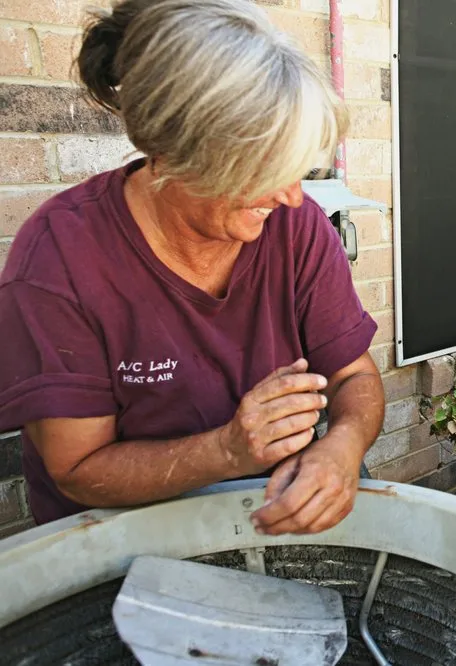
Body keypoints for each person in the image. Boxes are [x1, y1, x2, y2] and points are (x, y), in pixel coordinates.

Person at [0, 0, 385, 536]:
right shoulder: (59, 260)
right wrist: (227, 451)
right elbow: (77, 471)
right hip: (124, 538)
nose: (292, 197)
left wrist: (342, 446)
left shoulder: (296, 230)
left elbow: (354, 375)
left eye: (299, 170)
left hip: (272, 508)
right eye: (264, 172)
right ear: (176, 153)